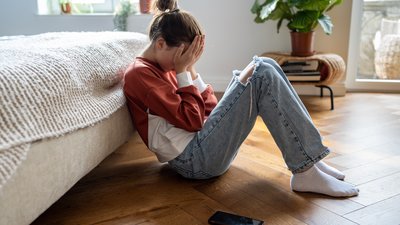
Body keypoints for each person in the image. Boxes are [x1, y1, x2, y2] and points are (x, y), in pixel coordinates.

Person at [123, 0, 359, 197]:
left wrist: (190, 69)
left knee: (266, 64)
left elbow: (210, 111)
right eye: (184, 54)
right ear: (161, 43)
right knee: (262, 73)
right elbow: (193, 121)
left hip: (204, 147)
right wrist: (183, 70)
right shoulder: (141, 74)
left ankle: (310, 161)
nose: (183, 62)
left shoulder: (165, 67)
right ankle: (306, 170)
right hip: (194, 161)